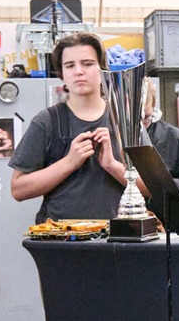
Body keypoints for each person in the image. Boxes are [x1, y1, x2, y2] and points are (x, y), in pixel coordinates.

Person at [9, 33, 132, 220]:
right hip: (61, 241)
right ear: (62, 73)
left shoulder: (124, 120)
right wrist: (69, 163)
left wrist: (112, 166)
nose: (79, 71)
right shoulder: (47, 122)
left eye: (88, 63)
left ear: (102, 68)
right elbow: (18, 189)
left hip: (117, 239)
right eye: (70, 65)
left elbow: (151, 188)